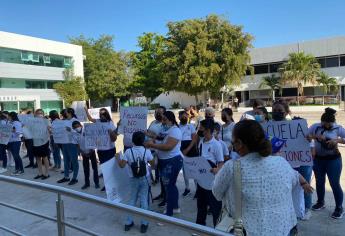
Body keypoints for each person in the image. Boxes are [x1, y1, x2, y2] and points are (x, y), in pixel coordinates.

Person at [213, 120, 313, 236]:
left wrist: (219, 173)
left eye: (233, 142)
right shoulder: (281, 162)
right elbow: (295, 176)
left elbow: (217, 194)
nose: (233, 146)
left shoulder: (231, 167)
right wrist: (305, 183)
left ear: (239, 143)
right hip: (285, 229)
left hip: (247, 231)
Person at [271, 100, 313, 221]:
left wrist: (308, 139)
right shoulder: (268, 127)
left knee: (302, 187)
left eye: (280, 111)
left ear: (287, 112)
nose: (277, 113)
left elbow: (308, 142)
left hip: (296, 163)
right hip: (278, 166)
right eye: (274, 111)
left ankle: (305, 209)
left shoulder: (296, 125)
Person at [308, 108, 345, 219]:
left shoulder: (338, 128)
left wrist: (337, 140)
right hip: (318, 159)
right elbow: (306, 136)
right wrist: (316, 137)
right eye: (325, 124)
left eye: (330, 125)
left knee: (334, 183)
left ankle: (339, 207)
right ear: (321, 121)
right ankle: (320, 202)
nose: (327, 126)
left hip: (333, 159)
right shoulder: (315, 127)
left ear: (333, 122)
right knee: (319, 182)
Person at [145, 111, 183, 216]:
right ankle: (174, 207)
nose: (162, 121)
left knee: (169, 187)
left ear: (170, 119)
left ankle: (169, 213)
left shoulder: (175, 131)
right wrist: (149, 135)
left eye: (164, 119)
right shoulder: (165, 128)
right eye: (162, 119)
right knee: (170, 186)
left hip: (172, 161)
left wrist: (152, 145)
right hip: (164, 161)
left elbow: (168, 146)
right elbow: (159, 138)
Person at [117, 131, 155, 234]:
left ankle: (128, 222)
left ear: (132, 140)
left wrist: (117, 158)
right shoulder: (146, 151)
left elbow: (122, 165)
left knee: (132, 199)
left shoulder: (128, 152)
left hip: (133, 178)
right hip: (145, 178)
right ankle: (144, 224)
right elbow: (153, 164)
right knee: (144, 200)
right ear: (143, 141)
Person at [192, 119, 224, 227]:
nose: (200, 131)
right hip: (201, 181)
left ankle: (218, 229)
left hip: (212, 183)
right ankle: (200, 227)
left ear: (209, 130)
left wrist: (217, 170)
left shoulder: (216, 145)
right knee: (201, 206)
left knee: (215, 209)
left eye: (202, 129)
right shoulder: (201, 142)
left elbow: (221, 163)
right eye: (199, 128)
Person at [85, 107, 118, 191]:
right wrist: (86, 110)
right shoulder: (97, 122)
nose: (102, 116)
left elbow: (114, 138)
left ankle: (112, 185)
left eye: (104, 114)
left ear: (107, 115)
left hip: (110, 149)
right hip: (100, 150)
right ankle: (107, 185)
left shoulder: (110, 123)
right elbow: (90, 119)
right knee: (104, 168)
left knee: (110, 168)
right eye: (100, 114)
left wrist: (111, 132)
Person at [146, 106, 166, 204]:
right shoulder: (153, 122)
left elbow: (162, 138)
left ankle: (166, 198)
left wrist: (152, 137)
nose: (157, 114)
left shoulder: (165, 125)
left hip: (159, 151)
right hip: (150, 150)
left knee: (163, 175)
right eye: (156, 112)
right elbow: (148, 132)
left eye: (160, 112)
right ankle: (162, 194)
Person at [72, 121, 100, 189]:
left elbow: (93, 140)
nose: (77, 128)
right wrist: (82, 152)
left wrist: (91, 150)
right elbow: (76, 144)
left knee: (95, 168)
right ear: (73, 128)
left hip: (91, 151)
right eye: (75, 127)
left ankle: (97, 183)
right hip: (84, 153)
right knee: (86, 169)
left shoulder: (87, 130)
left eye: (77, 126)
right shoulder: (74, 134)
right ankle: (87, 183)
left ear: (80, 125)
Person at [57, 108, 79, 185]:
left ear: (69, 113)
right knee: (66, 161)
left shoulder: (75, 121)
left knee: (74, 161)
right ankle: (66, 177)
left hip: (72, 144)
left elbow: (79, 132)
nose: (64, 114)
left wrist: (71, 130)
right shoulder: (63, 121)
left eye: (65, 112)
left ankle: (74, 178)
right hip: (64, 143)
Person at [179, 110, 197, 197]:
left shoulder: (191, 126)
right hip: (181, 148)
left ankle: (197, 190)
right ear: (179, 117)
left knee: (194, 170)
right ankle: (187, 188)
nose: (184, 117)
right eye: (182, 116)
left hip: (191, 148)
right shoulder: (176, 127)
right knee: (185, 170)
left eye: (186, 116)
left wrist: (187, 149)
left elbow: (194, 139)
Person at [32, 109, 51, 180]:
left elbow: (50, 129)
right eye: (38, 113)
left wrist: (49, 130)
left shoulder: (46, 121)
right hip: (35, 141)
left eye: (41, 113)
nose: (39, 115)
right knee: (37, 157)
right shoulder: (33, 122)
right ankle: (40, 173)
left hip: (44, 141)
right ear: (35, 114)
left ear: (43, 114)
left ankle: (47, 173)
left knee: (44, 157)